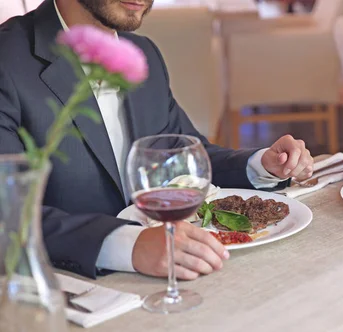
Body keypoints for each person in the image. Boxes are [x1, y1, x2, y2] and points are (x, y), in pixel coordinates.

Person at [0, 0, 314, 280]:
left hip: (177, 279)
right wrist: (129, 245)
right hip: (64, 290)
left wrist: (262, 165)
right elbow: (7, 216)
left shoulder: (142, 54)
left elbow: (186, 155)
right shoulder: (7, 61)